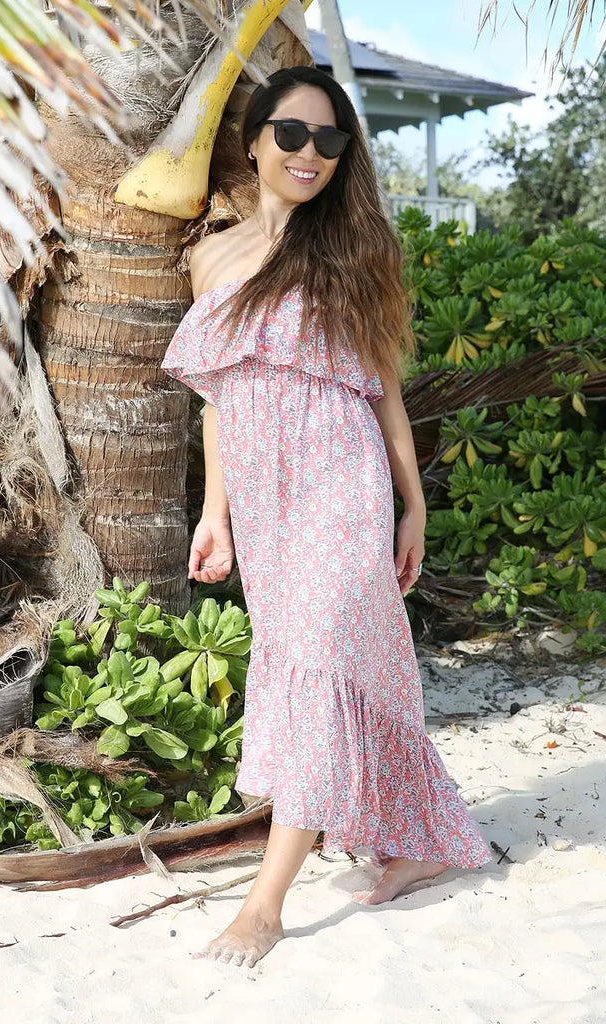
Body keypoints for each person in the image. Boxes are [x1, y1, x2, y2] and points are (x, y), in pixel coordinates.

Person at [160, 65, 491, 969]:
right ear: (255, 141)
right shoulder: (211, 257)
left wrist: (412, 505)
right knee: (325, 665)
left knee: (317, 667)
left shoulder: (353, 248)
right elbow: (219, 398)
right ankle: (417, 839)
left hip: (341, 478)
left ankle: (265, 907)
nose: (311, 153)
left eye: (331, 140)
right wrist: (216, 515)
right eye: (293, 134)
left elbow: (386, 392)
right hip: (265, 499)